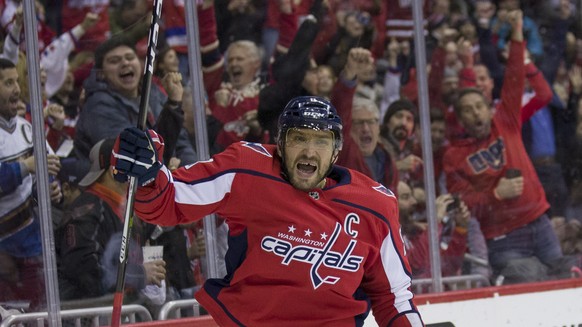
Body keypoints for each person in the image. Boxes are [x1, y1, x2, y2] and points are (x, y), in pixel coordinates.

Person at [111, 96, 424, 326]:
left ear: (337, 151)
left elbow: (394, 298)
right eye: (299, 138)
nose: (309, 151)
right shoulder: (247, 169)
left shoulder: (376, 205)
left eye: (321, 141)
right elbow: (170, 202)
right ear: (280, 141)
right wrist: (149, 174)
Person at [443, 10, 573, 283]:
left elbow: (514, 76)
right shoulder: (454, 156)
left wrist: (516, 36)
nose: (476, 113)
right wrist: (495, 194)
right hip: (503, 237)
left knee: (563, 279)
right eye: (468, 110)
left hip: (539, 220)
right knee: (531, 279)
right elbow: (463, 202)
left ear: (488, 108)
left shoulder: (505, 119)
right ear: (461, 118)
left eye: (479, 106)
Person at [56, 138, 167, 301]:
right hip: (86, 318)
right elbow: (85, 271)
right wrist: (138, 274)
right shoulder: (88, 211)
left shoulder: (124, 209)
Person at [0, 58, 62, 309]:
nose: (17, 88)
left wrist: (49, 189)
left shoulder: (28, 128)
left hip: (34, 248)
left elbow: (48, 172)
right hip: (5, 254)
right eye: (7, 83)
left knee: (41, 316)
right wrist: (25, 166)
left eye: (16, 81)